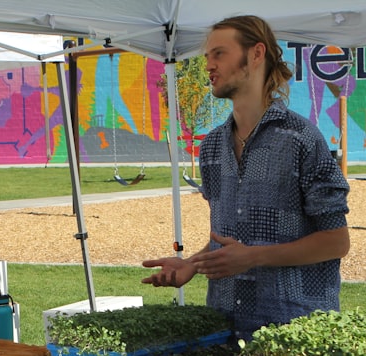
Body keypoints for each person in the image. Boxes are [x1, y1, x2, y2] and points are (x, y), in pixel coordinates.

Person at [141, 15, 350, 339]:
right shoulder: (211, 147)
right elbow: (229, 238)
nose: (208, 65)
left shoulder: (302, 139)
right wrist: (193, 265)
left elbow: (336, 242)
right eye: (207, 55)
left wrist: (253, 258)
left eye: (219, 54)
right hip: (225, 328)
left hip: (295, 337)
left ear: (256, 54)